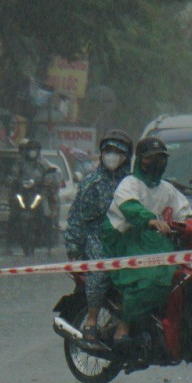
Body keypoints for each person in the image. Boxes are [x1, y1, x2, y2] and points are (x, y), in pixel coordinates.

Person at [99, 136, 190, 343]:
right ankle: (123, 324)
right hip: (124, 241)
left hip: (154, 243)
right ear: (140, 160)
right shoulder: (130, 184)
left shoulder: (166, 189)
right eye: (150, 158)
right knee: (151, 279)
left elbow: (184, 211)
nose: (156, 163)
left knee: (179, 276)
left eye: (160, 158)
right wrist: (150, 221)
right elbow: (130, 207)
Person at [64, 130, 133, 341]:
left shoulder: (132, 184)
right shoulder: (90, 184)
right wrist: (73, 248)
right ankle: (92, 318)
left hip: (126, 239)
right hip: (97, 238)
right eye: (108, 151)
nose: (112, 156)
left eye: (117, 152)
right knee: (101, 270)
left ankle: (126, 323)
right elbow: (76, 218)